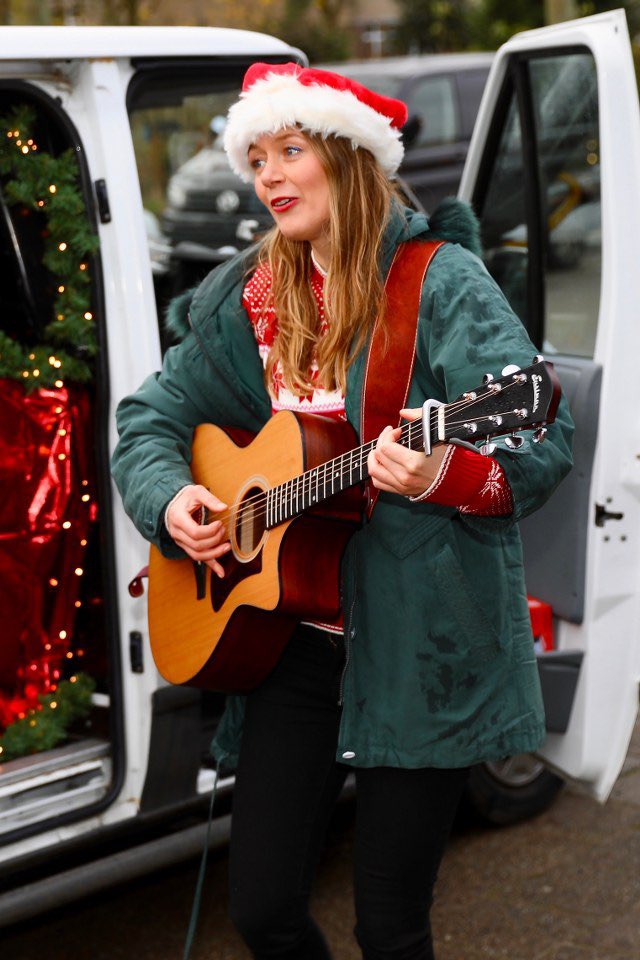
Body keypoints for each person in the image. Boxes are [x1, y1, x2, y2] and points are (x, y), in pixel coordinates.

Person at [111, 62, 573, 960]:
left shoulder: (440, 283)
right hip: (292, 647)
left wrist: (440, 472)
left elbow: (540, 438)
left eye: (291, 150)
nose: (270, 175)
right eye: (257, 158)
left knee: (391, 927)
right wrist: (174, 501)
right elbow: (148, 419)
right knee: (263, 911)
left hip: (420, 643)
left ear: (349, 157)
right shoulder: (247, 296)